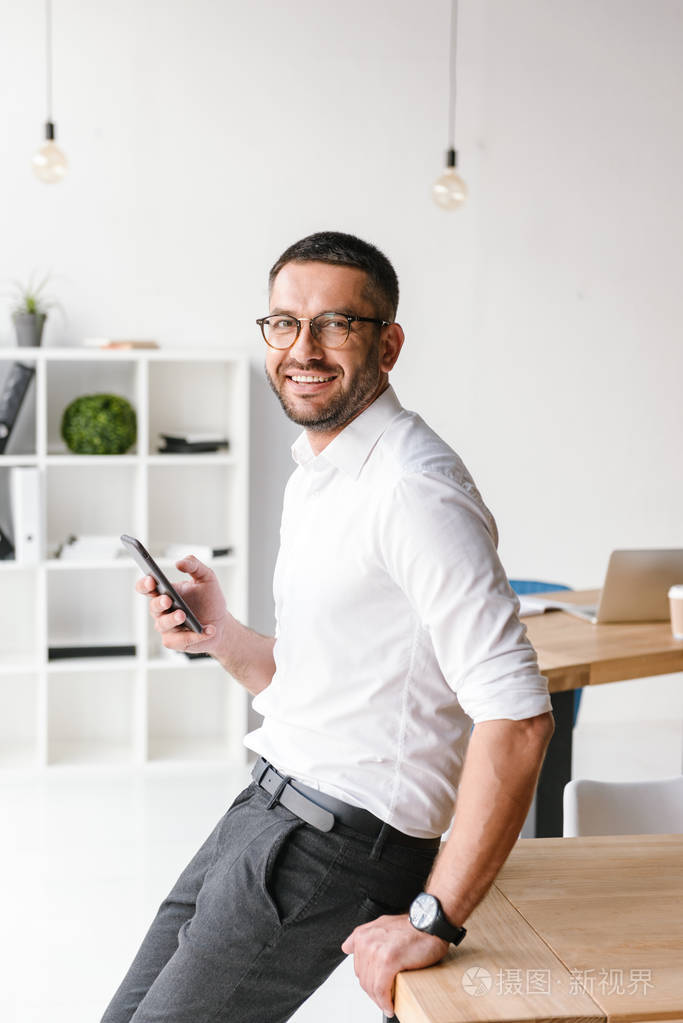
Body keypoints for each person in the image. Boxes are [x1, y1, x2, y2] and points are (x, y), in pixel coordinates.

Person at [101, 231, 554, 1023]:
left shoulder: (414, 489)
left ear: (389, 343)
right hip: (263, 809)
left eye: (335, 324)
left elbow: (516, 718)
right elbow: (319, 683)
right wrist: (219, 633)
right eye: (284, 323)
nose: (302, 349)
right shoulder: (320, 472)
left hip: (333, 844)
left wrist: (435, 917)